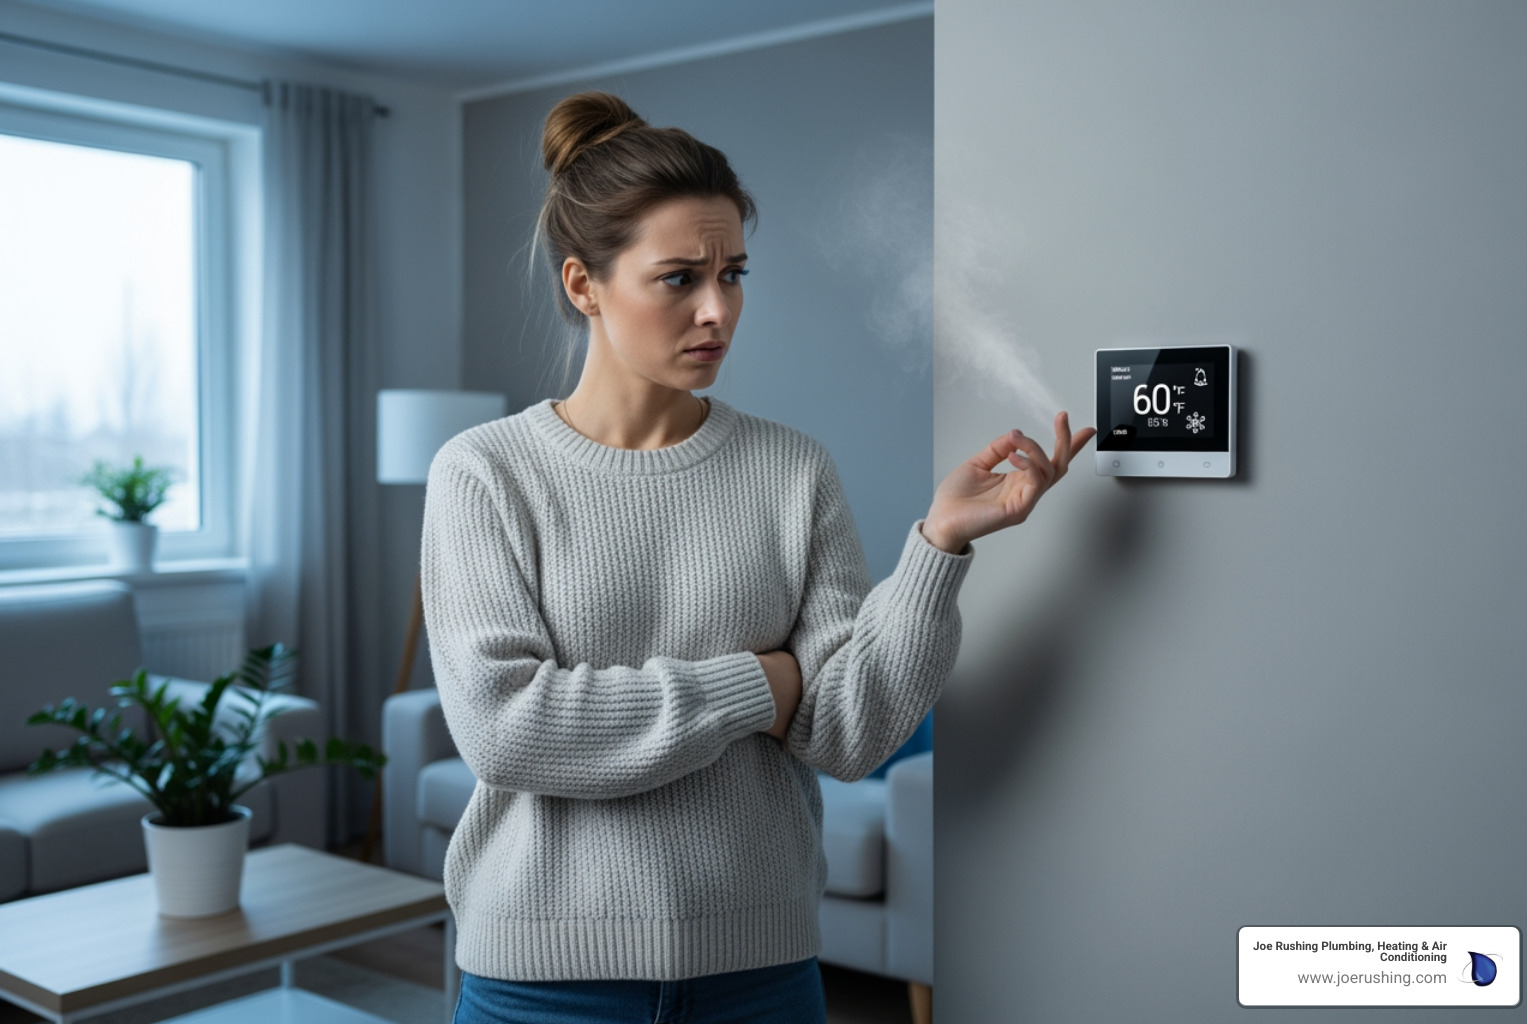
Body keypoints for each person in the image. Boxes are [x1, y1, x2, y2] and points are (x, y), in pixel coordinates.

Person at [421, 91, 1094, 1024]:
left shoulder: (791, 469)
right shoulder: (484, 474)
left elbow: (845, 735)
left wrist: (938, 547)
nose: (717, 310)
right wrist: (759, 686)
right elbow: (509, 728)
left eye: (733, 273)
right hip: (541, 988)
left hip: (764, 980)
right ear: (584, 284)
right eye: (678, 279)